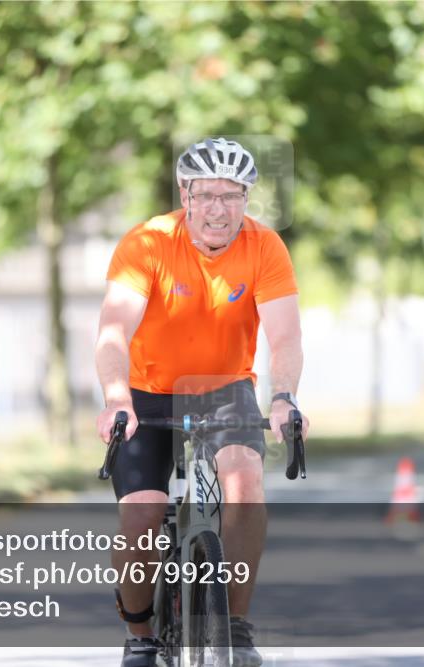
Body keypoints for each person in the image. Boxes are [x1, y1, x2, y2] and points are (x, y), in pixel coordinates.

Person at [94, 137, 310, 667]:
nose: (218, 208)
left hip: (224, 386)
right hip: (145, 390)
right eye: (206, 194)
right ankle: (140, 633)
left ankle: (232, 627)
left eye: (232, 196)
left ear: (246, 199)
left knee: (244, 483)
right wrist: (117, 398)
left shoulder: (265, 247)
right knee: (143, 512)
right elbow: (114, 329)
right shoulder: (147, 243)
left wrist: (283, 398)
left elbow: (284, 337)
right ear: (185, 195)